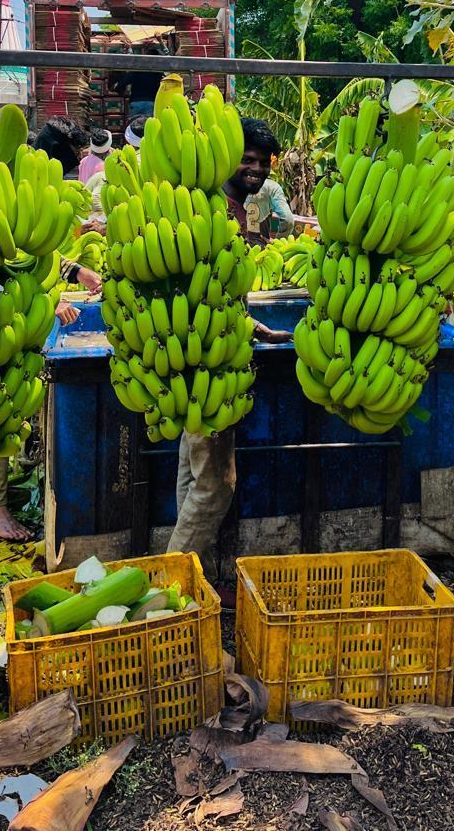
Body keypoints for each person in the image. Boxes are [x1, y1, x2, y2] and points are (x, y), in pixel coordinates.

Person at [167, 114, 293, 583]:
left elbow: (219, 296)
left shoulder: (237, 211)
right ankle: (174, 579)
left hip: (210, 352)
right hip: (205, 361)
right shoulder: (212, 208)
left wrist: (252, 326)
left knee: (192, 472)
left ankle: (186, 573)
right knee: (218, 485)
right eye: (246, 158)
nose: (255, 167)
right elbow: (197, 294)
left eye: (262, 161)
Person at [0, 120, 101, 542]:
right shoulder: (0, 193)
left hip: (20, 315)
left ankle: (12, 474)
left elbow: (37, 254)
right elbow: (2, 267)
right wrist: (49, 301)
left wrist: (76, 270)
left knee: (16, 403)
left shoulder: (26, 192)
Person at [223, 117, 294, 243]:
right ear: (230, 157)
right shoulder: (217, 207)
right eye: (247, 160)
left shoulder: (246, 208)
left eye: (265, 163)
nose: (257, 169)